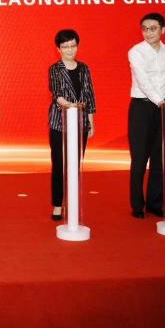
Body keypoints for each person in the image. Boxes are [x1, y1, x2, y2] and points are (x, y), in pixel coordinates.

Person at [128, 13, 165, 219]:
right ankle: (137, 205)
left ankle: (155, 203)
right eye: (145, 29)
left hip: (164, 106)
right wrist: (160, 102)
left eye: (153, 28)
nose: (148, 32)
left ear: (163, 29)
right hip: (142, 107)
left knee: (160, 157)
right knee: (139, 158)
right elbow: (143, 81)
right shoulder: (136, 52)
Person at [48, 29, 96, 221]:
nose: (70, 50)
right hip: (59, 123)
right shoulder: (55, 69)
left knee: (75, 164)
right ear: (58, 49)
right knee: (59, 165)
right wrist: (69, 105)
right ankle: (57, 204)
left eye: (73, 46)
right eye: (65, 46)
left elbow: (90, 95)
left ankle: (72, 201)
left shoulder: (84, 68)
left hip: (81, 122)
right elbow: (57, 94)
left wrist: (90, 121)